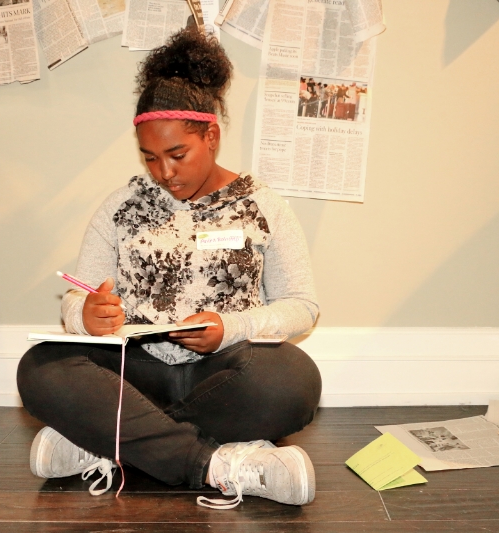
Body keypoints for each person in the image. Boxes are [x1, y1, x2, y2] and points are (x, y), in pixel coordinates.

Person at [17, 28, 322, 510]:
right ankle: (218, 464)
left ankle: (107, 438)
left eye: (178, 154)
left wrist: (231, 328)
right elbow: (81, 297)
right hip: (134, 373)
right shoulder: (120, 207)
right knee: (41, 368)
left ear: (212, 136)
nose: (164, 172)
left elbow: (302, 306)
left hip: (226, 372)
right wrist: (86, 315)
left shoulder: (264, 205)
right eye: (150, 158)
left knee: (294, 381)